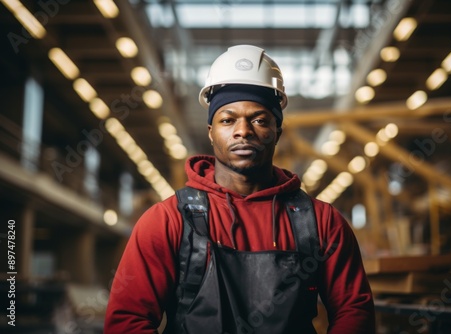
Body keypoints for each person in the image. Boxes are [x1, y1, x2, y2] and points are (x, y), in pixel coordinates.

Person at [104, 45, 375, 333]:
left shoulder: (321, 222)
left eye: (258, 119)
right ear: (211, 131)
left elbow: (354, 312)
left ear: (277, 132)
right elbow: (127, 322)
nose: (243, 131)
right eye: (228, 119)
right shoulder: (168, 221)